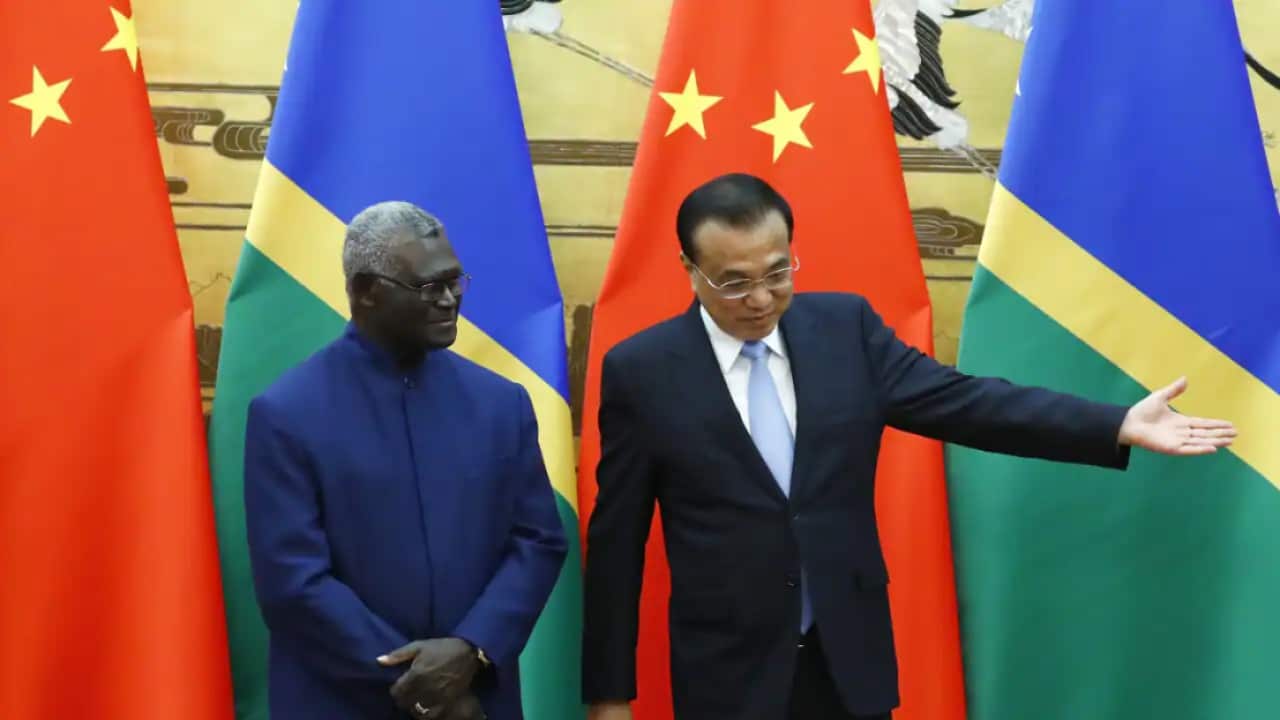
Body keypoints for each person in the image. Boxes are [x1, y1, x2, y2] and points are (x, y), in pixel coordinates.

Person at [580, 173, 1237, 720]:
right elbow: (617, 543)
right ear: (689, 270)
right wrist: (609, 696)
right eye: (732, 282)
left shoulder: (845, 330)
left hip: (848, 658)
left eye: (778, 273)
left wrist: (1115, 422)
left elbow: (971, 404)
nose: (760, 298)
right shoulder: (644, 370)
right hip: (728, 673)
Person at [244, 201, 567, 720]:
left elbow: (538, 540)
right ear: (367, 292)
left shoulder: (501, 404)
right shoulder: (287, 414)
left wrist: (471, 649)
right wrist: (422, 684)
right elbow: (293, 583)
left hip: (478, 696)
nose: (448, 301)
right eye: (427, 287)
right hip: (345, 703)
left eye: (454, 281)